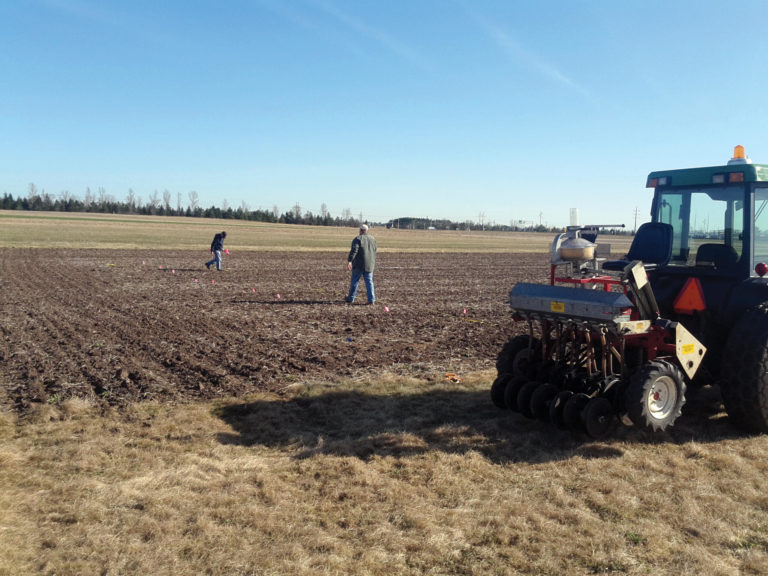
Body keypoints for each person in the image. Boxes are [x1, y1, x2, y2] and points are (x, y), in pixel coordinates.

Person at [346, 224, 377, 304]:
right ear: (366, 230)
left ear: (360, 230)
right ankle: (371, 300)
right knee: (369, 282)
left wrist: (350, 261)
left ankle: (351, 298)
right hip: (369, 265)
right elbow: (374, 251)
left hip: (359, 265)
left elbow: (354, 251)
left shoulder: (357, 239)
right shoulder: (373, 239)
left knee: (355, 281)